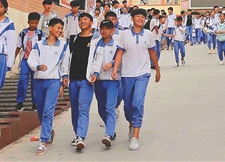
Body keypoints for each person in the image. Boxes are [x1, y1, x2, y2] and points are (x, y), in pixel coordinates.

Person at [112, 8, 161, 151]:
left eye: (142, 17)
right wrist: (115, 68)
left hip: (143, 74)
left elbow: (152, 52)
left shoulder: (149, 34)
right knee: (128, 106)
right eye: (137, 16)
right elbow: (120, 52)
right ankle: (131, 124)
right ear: (132, 18)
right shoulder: (124, 34)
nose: (140, 18)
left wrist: (157, 69)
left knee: (138, 103)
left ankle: (135, 137)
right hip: (127, 74)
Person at [28, 18, 68, 156]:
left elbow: (64, 65)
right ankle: (49, 131)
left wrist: (63, 81)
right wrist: (37, 66)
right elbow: (31, 60)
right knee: (40, 110)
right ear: (50, 28)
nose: (60, 30)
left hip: (54, 82)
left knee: (48, 112)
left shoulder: (63, 46)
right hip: (39, 80)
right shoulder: (38, 45)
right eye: (57, 27)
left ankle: (42, 142)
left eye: (61, 28)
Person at [63, 12, 97, 151]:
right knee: (75, 110)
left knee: (83, 108)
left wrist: (95, 73)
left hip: (87, 80)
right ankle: (77, 133)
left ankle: (81, 137)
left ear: (91, 22)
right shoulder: (73, 39)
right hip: (73, 79)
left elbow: (97, 58)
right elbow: (67, 57)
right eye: (80, 19)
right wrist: (65, 74)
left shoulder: (96, 40)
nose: (82, 21)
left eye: (85, 19)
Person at [90, 19, 120, 148]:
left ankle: (108, 134)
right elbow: (93, 60)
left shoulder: (118, 44)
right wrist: (94, 73)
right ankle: (111, 129)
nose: (104, 31)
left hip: (113, 80)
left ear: (113, 30)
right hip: (99, 80)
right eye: (102, 28)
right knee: (101, 108)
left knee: (109, 107)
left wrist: (112, 64)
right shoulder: (96, 44)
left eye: (107, 28)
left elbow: (123, 60)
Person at [14, 12, 44, 112]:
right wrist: (13, 57)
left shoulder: (40, 35)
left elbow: (43, 49)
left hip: (35, 61)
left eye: (35, 23)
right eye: (31, 23)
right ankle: (20, 102)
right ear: (28, 22)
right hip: (25, 60)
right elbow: (18, 46)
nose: (33, 25)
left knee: (35, 82)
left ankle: (35, 103)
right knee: (22, 80)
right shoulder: (23, 33)